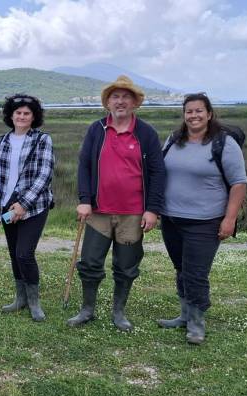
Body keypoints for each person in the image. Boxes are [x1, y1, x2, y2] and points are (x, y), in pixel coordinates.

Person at [67, 75, 166, 331]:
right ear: (108, 102)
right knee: (90, 263)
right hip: (98, 211)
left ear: (134, 102)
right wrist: (84, 200)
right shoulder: (96, 129)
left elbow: (158, 173)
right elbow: (84, 166)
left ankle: (119, 312)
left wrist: (153, 209)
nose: (120, 101)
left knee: (126, 266)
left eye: (125, 97)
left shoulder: (146, 133)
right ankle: (87, 309)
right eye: (115, 97)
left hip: (133, 213)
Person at [157, 93, 247, 344]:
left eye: (199, 111)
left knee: (196, 273)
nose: (193, 115)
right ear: (183, 115)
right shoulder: (174, 139)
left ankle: (197, 323)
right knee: (181, 269)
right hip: (172, 218)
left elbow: (239, 183)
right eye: (189, 111)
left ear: (209, 114)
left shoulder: (224, 143)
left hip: (205, 221)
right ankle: (184, 315)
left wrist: (229, 219)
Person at [0, 94, 54, 322]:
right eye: (18, 113)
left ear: (34, 117)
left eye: (27, 113)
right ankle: (20, 298)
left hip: (34, 207)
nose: (22, 117)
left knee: (24, 253)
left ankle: (34, 302)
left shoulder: (42, 140)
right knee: (14, 254)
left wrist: (23, 205)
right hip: (7, 206)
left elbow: (44, 175)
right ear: (11, 115)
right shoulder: (2, 141)